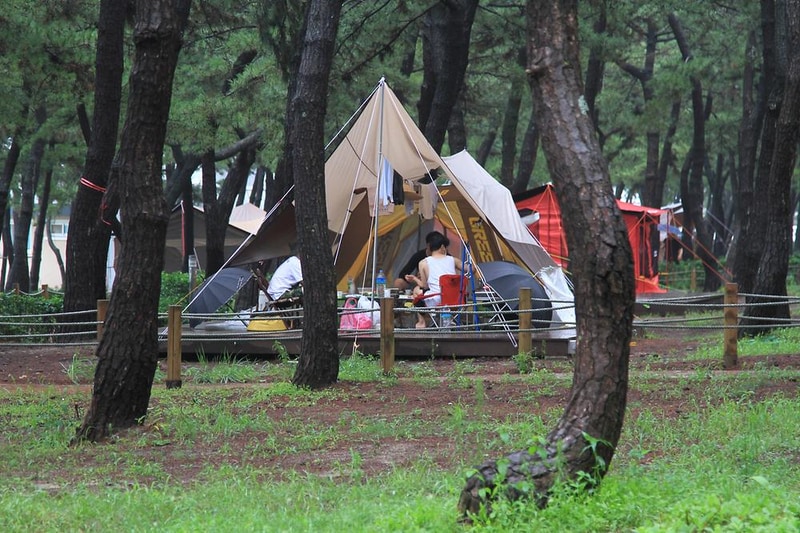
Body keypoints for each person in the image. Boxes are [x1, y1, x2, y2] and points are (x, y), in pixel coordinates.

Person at [403, 231, 462, 328]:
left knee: (417, 290)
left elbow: (424, 286)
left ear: (429, 247)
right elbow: (471, 269)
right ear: (442, 247)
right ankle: (449, 319)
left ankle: (422, 322)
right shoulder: (453, 260)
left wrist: (415, 279)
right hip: (456, 299)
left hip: (437, 300)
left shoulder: (423, 262)